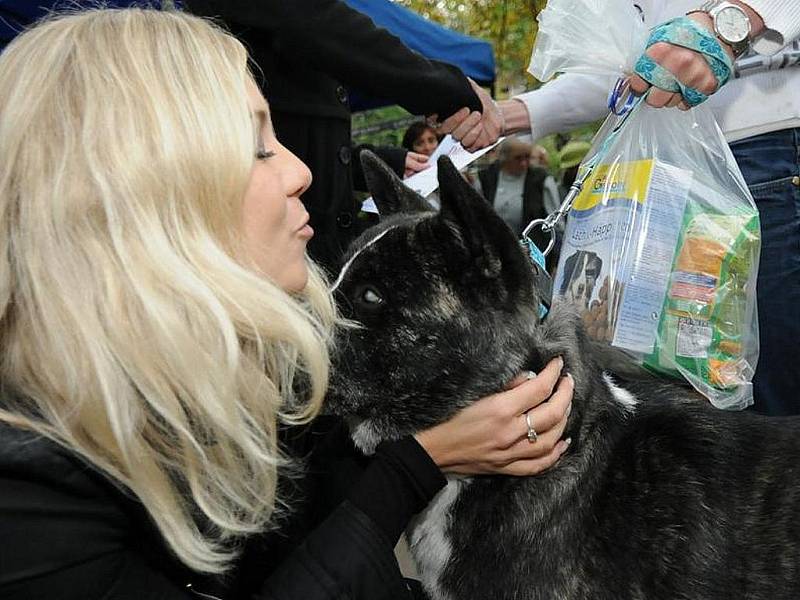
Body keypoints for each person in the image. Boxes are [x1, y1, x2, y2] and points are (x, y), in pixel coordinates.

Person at [0, 9, 573, 600]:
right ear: (134, 196)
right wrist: (415, 468)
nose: (302, 170)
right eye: (258, 148)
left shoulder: (224, 366)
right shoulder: (26, 491)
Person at [449, 0, 800, 416]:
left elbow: (698, 45)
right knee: (672, 385)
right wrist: (508, 115)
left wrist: (731, 22)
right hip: (656, 176)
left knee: (773, 399)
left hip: (761, 144)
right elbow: (627, 71)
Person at [184, 0, 502, 276]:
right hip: (269, 254)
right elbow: (310, 22)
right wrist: (444, 90)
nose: (299, 175)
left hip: (319, 246)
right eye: (263, 149)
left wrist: (389, 162)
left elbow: (319, 144)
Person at [475, 139, 550, 250]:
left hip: (531, 248)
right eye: (518, 158)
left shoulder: (540, 179)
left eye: (527, 157)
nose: (524, 163)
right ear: (504, 158)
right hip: (494, 246)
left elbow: (554, 218)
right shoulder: (486, 178)